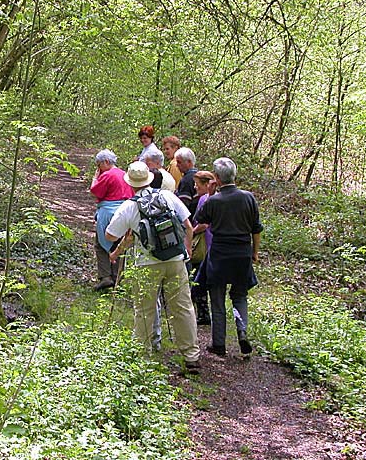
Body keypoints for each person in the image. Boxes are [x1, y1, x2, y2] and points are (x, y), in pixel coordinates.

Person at [106, 161, 201, 373]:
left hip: (146, 264)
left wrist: (129, 233)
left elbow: (110, 235)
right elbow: (188, 226)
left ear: (130, 183)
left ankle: (143, 356)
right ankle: (191, 356)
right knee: (183, 307)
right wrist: (186, 251)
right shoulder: (167, 196)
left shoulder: (130, 206)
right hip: (175, 260)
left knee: (145, 310)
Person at [194, 158, 263, 357]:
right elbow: (256, 229)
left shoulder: (214, 200)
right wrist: (255, 252)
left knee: (217, 298)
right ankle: (242, 331)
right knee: (240, 296)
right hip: (242, 254)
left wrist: (209, 194)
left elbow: (200, 217)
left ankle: (219, 344)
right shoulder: (248, 197)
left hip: (219, 255)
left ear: (216, 178)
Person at [89, 149, 133, 291]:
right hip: (124, 213)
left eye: (99, 164)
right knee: (119, 244)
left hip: (108, 212)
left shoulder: (107, 175)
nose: (98, 168)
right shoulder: (125, 174)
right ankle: (117, 277)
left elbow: (96, 191)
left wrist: (95, 179)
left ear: (106, 162)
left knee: (101, 244)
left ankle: (105, 277)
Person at [190, 170, 216, 325]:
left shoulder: (205, 200)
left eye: (197, 184)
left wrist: (191, 232)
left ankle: (203, 312)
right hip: (213, 243)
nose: (194, 187)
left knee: (199, 277)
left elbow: (203, 224)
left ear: (207, 185)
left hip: (205, 243)